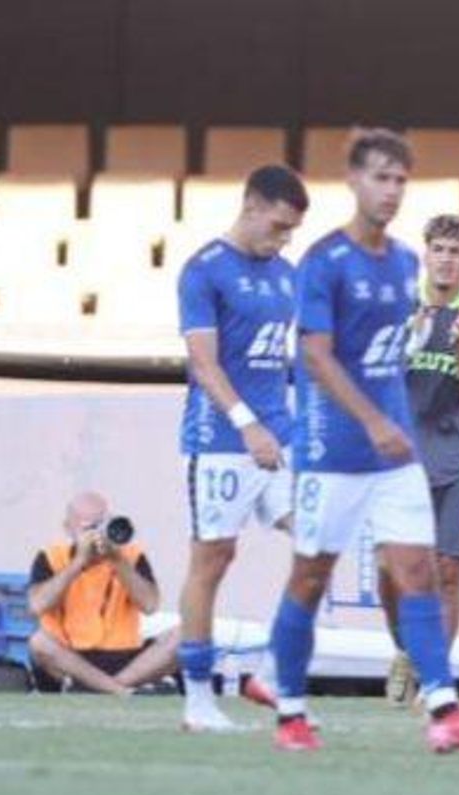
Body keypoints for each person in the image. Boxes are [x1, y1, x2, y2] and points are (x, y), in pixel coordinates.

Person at [269, 128, 459, 753]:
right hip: (336, 448)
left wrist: (394, 423)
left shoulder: (404, 264)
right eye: (380, 177)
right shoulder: (324, 260)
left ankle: (444, 708)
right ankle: (289, 710)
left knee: (419, 574)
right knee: (310, 576)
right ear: (352, 181)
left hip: (396, 453)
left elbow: (390, 362)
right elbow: (317, 357)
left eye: (401, 179)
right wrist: (374, 422)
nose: (391, 191)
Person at [174, 164, 308, 732]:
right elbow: (204, 363)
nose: (283, 239)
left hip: (280, 432)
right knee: (212, 561)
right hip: (222, 438)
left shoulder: (286, 274)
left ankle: (272, 673)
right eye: (278, 226)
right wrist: (247, 423)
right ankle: (198, 699)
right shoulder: (204, 270)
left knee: (316, 539)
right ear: (251, 205)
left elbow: (282, 358)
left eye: (291, 231)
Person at [381, 213, 459, 706]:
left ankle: (436, 679)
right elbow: (374, 381)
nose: (446, 259)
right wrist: (407, 340)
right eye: (439, 249)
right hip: (399, 459)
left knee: (449, 569)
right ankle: (404, 650)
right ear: (426, 255)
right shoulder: (399, 308)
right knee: (392, 570)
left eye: (456, 252)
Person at [27, 493, 180, 695]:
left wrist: (117, 560)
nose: (97, 534)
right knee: (39, 642)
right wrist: (78, 563)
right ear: (68, 528)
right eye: (88, 528)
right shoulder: (52, 556)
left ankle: (102, 688)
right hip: (71, 657)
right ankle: (122, 691)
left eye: (101, 525)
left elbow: (150, 605)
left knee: (186, 636)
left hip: (126, 659)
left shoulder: (130, 556)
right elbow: (37, 606)